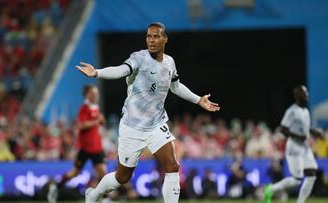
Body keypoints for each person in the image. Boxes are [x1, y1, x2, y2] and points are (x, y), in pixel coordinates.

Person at [75, 22, 220, 203]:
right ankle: (94, 195)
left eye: (156, 36)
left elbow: (175, 87)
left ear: (165, 39)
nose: (151, 40)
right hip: (132, 127)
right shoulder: (139, 58)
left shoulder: (169, 62)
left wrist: (198, 99)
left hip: (156, 124)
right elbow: (121, 70)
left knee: (172, 166)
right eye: (149, 36)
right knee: (122, 177)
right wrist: (97, 72)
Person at [48, 85, 107, 203]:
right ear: (87, 95)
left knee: (103, 172)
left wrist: (101, 120)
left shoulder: (96, 107)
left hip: (97, 147)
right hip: (85, 147)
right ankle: (55, 188)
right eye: (93, 94)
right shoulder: (84, 108)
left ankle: (103, 198)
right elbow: (82, 125)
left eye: (97, 94)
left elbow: (100, 123)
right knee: (75, 172)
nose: (96, 96)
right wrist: (96, 121)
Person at [264, 85, 322, 203]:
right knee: (297, 179)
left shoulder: (306, 111)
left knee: (311, 174)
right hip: (294, 147)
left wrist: (313, 131)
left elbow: (305, 128)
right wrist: (297, 136)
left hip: (304, 146)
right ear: (297, 95)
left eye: (306, 92)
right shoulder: (292, 111)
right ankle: (271, 188)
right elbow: (283, 129)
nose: (307, 94)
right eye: (304, 92)